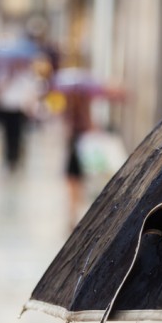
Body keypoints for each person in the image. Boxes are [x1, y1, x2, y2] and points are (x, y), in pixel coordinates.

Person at [0, 61, 43, 172]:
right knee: (6, 135)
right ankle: (8, 158)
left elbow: (31, 92)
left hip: (19, 110)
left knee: (18, 136)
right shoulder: (3, 75)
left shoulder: (25, 77)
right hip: (6, 109)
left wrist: (30, 107)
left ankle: (16, 157)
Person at [63, 90, 93, 228]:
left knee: (72, 189)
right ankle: (75, 216)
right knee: (78, 189)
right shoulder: (83, 114)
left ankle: (72, 216)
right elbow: (89, 129)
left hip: (72, 156)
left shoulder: (69, 114)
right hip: (79, 156)